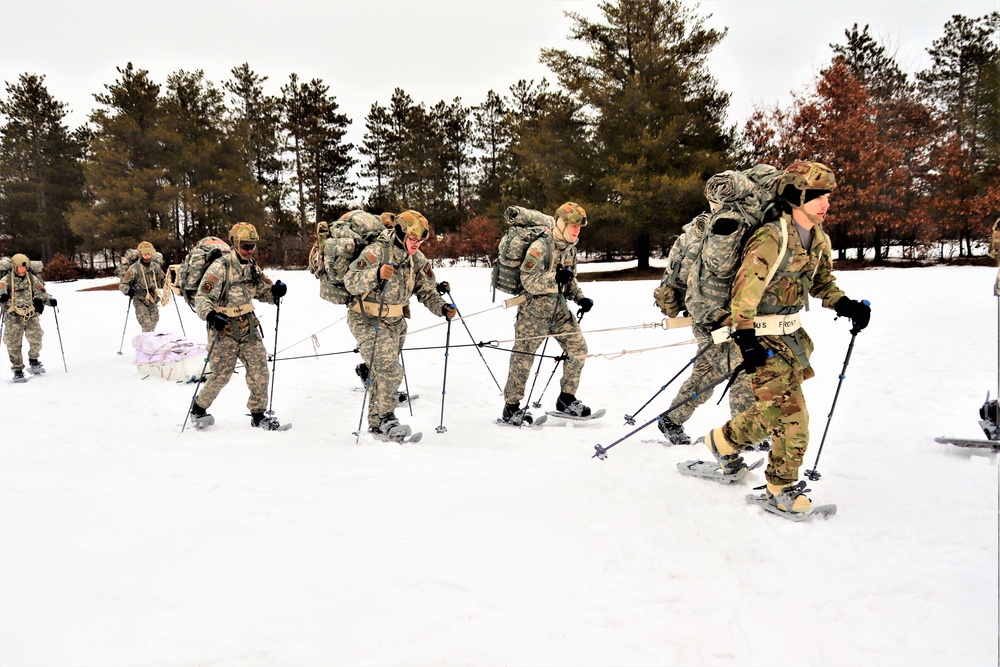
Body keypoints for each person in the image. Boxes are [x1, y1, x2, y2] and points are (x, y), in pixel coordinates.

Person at [703, 161, 871, 514]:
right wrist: (746, 341)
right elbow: (744, 294)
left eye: (827, 195)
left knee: (773, 411)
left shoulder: (818, 237)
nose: (825, 203)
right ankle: (780, 487)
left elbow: (822, 282)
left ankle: (723, 441)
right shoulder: (772, 237)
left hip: (791, 338)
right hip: (760, 339)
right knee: (795, 418)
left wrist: (846, 304)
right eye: (817, 195)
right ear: (796, 197)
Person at [344, 210, 456, 436]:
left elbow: (425, 290)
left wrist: (441, 308)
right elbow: (351, 281)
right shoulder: (377, 251)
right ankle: (387, 419)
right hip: (367, 319)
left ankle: (376, 423)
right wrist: (376, 274)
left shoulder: (414, 258)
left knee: (380, 374)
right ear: (400, 232)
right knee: (390, 371)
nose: (416, 244)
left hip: (396, 322)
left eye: (420, 240)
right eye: (412, 239)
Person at [500, 202, 594, 425]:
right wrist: (555, 278)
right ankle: (511, 407)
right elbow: (528, 281)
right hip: (534, 314)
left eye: (579, 228)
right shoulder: (540, 247)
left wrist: (579, 297)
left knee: (578, 349)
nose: (576, 231)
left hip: (559, 312)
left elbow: (570, 278)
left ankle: (566, 399)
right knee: (523, 358)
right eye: (572, 226)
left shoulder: (570, 248)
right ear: (561, 223)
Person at [188, 223, 287, 430]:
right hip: (223, 330)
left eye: (253, 246)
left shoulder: (252, 266)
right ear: (234, 244)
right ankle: (198, 408)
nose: (250, 250)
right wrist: (211, 315)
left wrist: (274, 292)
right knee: (221, 375)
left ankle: (259, 415)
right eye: (245, 246)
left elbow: (260, 290)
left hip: (248, 326)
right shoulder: (220, 268)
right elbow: (203, 297)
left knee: (260, 371)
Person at [0, 253, 57, 382]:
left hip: (30, 315)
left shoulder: (32, 279)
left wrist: (50, 300)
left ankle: (34, 360)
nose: (22, 270)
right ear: (14, 267)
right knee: (13, 344)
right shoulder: (5, 281)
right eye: (19, 267)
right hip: (13, 317)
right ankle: (18, 369)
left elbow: (42, 293)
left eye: (24, 268)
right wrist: (1, 298)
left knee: (36, 338)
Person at [119, 241, 165, 332]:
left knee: (155, 320)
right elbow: (124, 283)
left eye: (149, 253)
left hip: (152, 298)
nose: (147, 256)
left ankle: (148, 341)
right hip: (139, 299)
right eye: (145, 253)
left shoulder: (155, 267)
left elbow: (161, 281)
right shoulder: (134, 268)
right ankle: (147, 343)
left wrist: (168, 279)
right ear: (141, 254)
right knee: (146, 324)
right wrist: (128, 291)